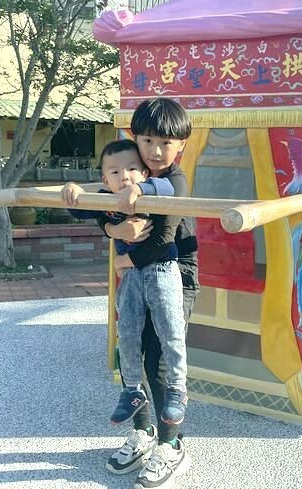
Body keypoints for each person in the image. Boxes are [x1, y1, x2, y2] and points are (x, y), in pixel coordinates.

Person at [87, 99, 199, 489]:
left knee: (161, 359)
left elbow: (162, 237)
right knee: (130, 347)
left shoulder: (174, 181)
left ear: (181, 145)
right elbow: (103, 205)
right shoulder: (132, 169)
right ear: (135, 139)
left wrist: (124, 261)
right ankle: (143, 431)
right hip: (138, 276)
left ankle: (172, 445)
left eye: (165, 143)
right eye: (147, 141)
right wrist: (113, 231)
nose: (155, 151)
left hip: (175, 275)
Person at [61, 138, 188, 428]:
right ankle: (132, 389)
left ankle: (177, 387)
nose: (125, 176)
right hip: (130, 277)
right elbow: (78, 208)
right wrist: (72, 189)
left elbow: (167, 187)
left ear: (145, 172)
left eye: (132, 168)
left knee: (170, 329)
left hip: (162, 270)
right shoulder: (106, 200)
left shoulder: (153, 190)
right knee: (128, 334)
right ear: (105, 179)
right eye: (115, 172)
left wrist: (138, 189)